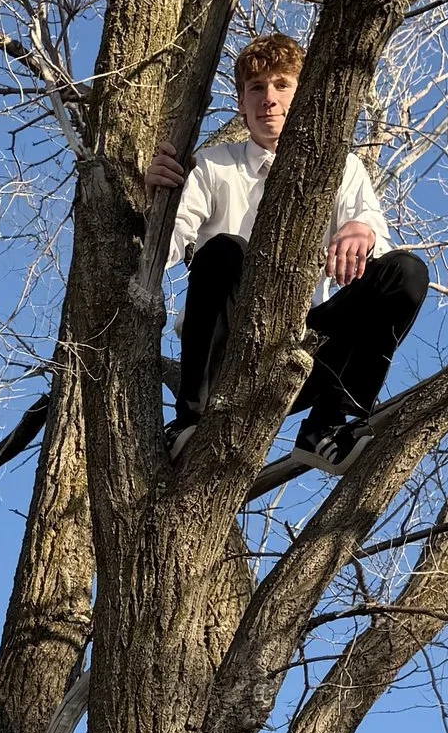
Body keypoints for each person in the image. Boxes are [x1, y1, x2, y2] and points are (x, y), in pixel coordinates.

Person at [143, 31, 429, 466]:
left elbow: (377, 244)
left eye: (281, 85)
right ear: (241, 102)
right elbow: (168, 243)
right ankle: (188, 422)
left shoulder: (342, 166)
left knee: (405, 271)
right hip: (223, 348)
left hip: (299, 349)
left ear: (302, 96)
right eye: (256, 88)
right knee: (226, 249)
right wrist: (154, 204)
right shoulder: (213, 164)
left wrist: (362, 229)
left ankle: (327, 426)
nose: (269, 98)